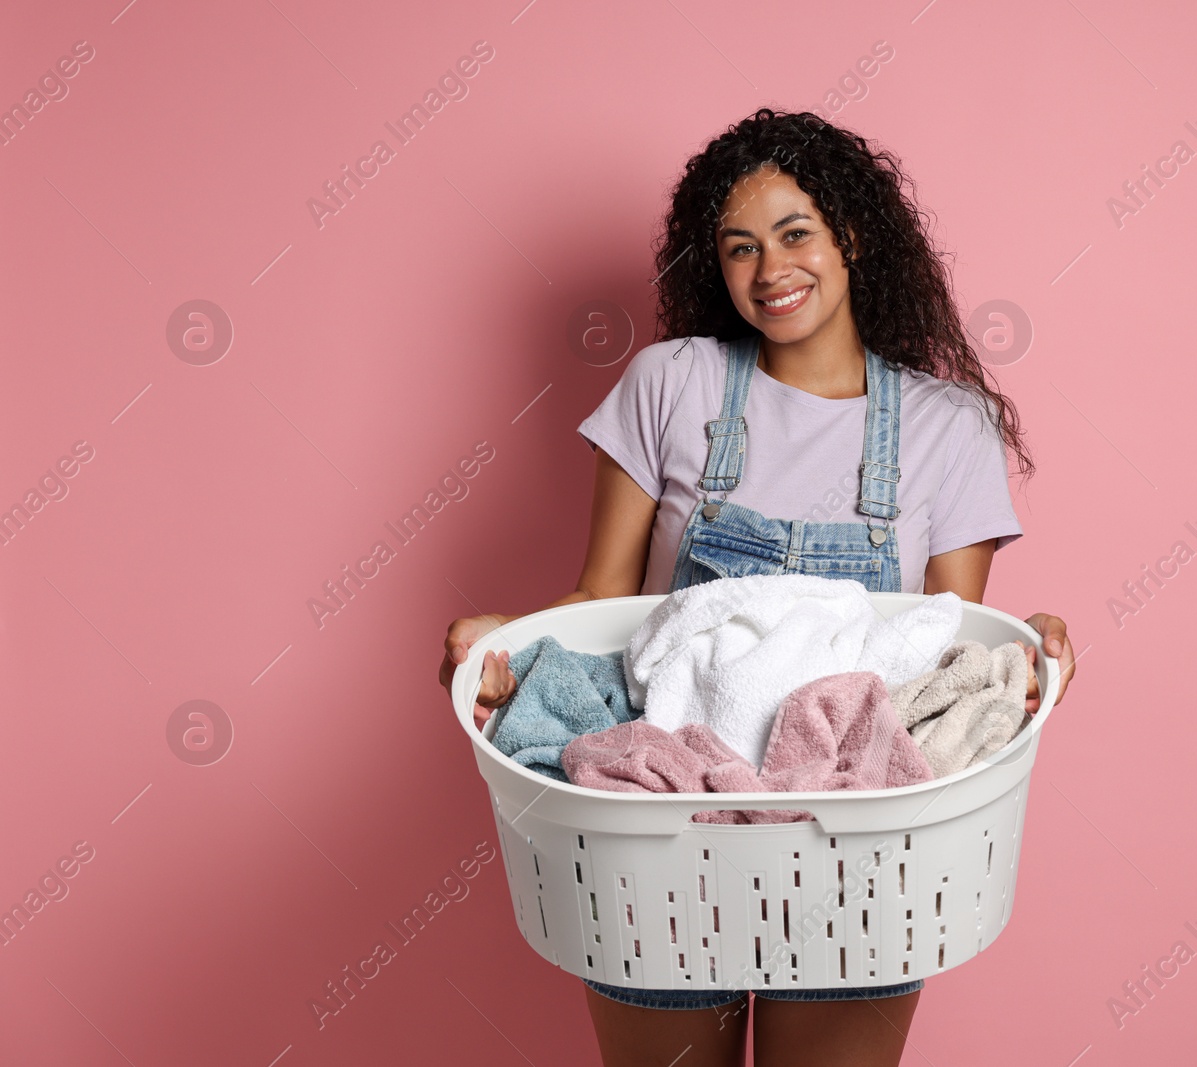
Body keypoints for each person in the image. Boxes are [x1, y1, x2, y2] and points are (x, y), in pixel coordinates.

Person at [438, 108, 1077, 1067]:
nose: (769, 270)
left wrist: (1026, 652)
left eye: (794, 235)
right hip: (659, 828)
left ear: (852, 236)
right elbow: (601, 602)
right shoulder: (672, 383)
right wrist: (500, 645)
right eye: (740, 248)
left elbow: (942, 651)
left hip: (851, 844)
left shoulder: (950, 429)